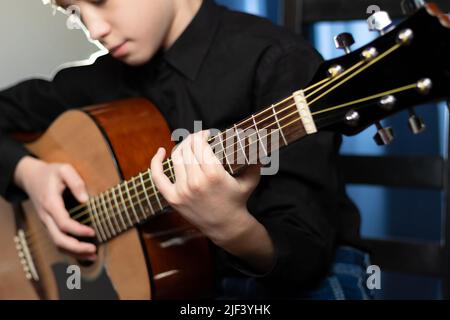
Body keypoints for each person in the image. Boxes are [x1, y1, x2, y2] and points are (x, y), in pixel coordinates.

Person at [0, 0, 373, 299]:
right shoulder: (95, 80)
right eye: (74, 12)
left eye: (102, 1)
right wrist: (28, 172)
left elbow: (305, 254)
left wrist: (230, 227)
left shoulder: (276, 60)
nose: (94, 30)